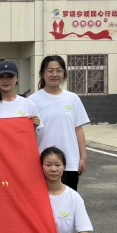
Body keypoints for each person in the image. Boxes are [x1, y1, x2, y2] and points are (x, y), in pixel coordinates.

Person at [29, 55, 90, 191]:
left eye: (59, 70)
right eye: (50, 71)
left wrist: (83, 157)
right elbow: (27, 133)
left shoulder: (72, 98)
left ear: (64, 73)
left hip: (69, 161)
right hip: (43, 162)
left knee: (67, 200)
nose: (54, 74)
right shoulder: (32, 100)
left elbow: (78, 129)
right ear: (42, 74)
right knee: (44, 201)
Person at [0, 61, 42, 129]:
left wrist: (35, 124)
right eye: (1, 77)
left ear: (17, 78)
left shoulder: (29, 105)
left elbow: (35, 132)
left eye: (10, 76)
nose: (5, 81)